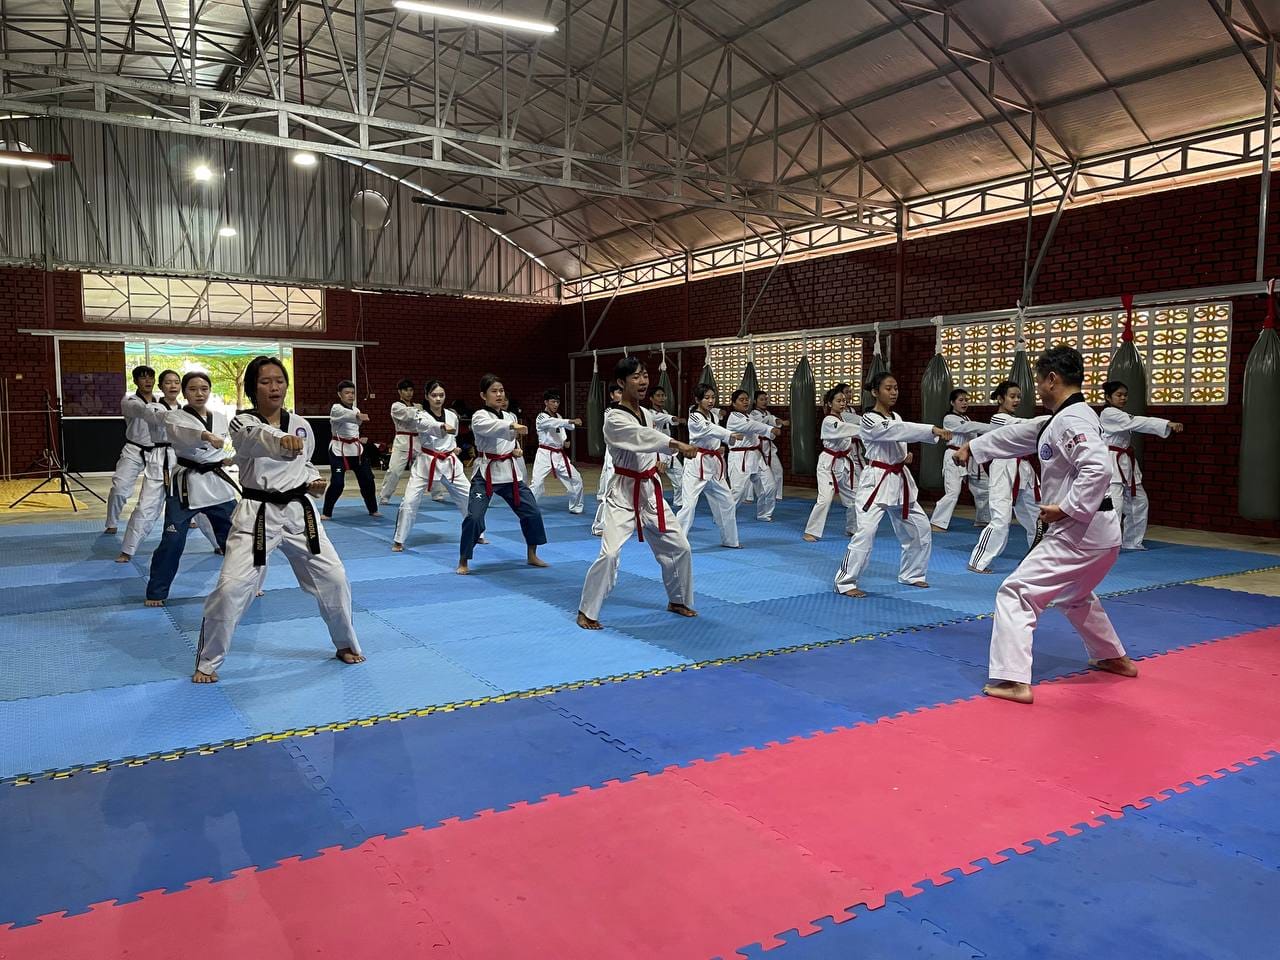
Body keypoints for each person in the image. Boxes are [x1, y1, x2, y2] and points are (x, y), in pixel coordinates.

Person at [954, 345, 1137, 704]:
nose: (1037, 388)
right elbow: (1020, 435)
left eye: (1039, 381)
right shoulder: (1065, 418)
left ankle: (1011, 680)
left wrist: (1066, 508)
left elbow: (1098, 467)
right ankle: (1112, 656)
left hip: (1078, 531)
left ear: (1052, 379)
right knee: (1076, 595)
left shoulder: (1073, 420)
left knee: (1017, 592)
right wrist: (974, 449)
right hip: (1102, 534)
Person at [196, 356, 364, 682]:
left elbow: (306, 465)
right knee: (231, 588)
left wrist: (314, 482)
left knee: (335, 578)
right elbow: (258, 439)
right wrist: (280, 439)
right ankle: (208, 660)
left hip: (300, 514)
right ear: (252, 389)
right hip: (258, 514)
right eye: (265, 382)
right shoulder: (241, 422)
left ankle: (344, 644)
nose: (274, 387)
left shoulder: (301, 423)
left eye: (279, 380)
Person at [577, 358, 699, 629]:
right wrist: (675, 443)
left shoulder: (648, 413)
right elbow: (641, 437)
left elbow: (651, 438)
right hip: (623, 492)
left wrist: (662, 457)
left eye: (644, 375)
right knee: (609, 554)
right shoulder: (614, 417)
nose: (642, 381)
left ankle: (678, 599)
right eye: (635, 377)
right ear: (621, 383)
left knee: (680, 547)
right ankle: (588, 610)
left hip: (649, 489)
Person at [834, 372, 950, 597]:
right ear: (875, 392)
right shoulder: (869, 418)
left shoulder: (896, 415)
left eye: (896, 387)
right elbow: (892, 431)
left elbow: (899, 432)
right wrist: (931, 430)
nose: (894, 392)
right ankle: (845, 582)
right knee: (865, 533)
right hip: (876, 481)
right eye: (888, 388)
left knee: (921, 528)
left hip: (900, 481)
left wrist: (902, 456)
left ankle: (912, 574)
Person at [144, 372, 239, 606]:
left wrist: (227, 458)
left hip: (216, 482)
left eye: (204, 388)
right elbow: (184, 435)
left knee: (236, 536)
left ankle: (244, 584)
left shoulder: (220, 416)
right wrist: (204, 435)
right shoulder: (174, 416)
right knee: (172, 540)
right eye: (194, 389)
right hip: (186, 484)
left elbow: (223, 447)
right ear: (185, 392)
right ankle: (157, 591)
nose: (199, 393)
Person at [118, 370, 219, 562]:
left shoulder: (188, 411)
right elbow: (164, 419)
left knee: (199, 503)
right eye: (168, 382)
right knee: (147, 506)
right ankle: (128, 549)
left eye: (176, 382)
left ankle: (219, 543)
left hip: (185, 459)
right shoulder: (153, 407)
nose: (172, 386)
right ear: (161, 386)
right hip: (160, 459)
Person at [458, 374, 548, 575]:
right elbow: (492, 429)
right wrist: (512, 427)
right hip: (486, 472)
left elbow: (511, 439)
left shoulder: (510, 416)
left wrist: (515, 448)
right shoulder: (479, 416)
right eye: (494, 391)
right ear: (483, 395)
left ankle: (532, 554)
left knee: (532, 512)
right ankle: (464, 559)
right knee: (474, 517)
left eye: (501, 391)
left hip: (510, 472)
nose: (499, 395)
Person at [1099, 380, 1184, 550]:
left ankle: (1132, 542)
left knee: (1139, 502)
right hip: (1112, 463)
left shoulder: (1120, 415)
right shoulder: (1109, 413)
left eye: (1125, 395)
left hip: (1125, 462)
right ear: (1108, 397)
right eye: (1119, 395)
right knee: (1114, 505)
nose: (1123, 398)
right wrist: (1166, 423)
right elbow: (1137, 422)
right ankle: (1106, 546)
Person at [967, 380, 1041, 574]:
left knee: (1037, 518)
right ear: (1001, 398)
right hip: (1004, 467)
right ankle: (978, 560)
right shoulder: (998, 418)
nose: (1016, 400)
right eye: (1012, 396)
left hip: (1024, 468)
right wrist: (1052, 420)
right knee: (1001, 518)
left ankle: (1038, 560)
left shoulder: (1016, 418)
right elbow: (1024, 425)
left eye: (1018, 397)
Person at [392, 379, 470, 551]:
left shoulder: (452, 415)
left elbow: (453, 435)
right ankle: (399, 539)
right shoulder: (420, 415)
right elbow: (427, 426)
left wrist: (454, 447)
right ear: (427, 397)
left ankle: (477, 533)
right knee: (410, 501)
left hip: (449, 462)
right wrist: (441, 426)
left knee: (468, 497)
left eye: (441, 395)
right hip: (426, 462)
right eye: (434, 395)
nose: (438, 399)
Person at [675, 385, 744, 547]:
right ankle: (676, 543)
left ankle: (730, 541)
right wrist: (729, 435)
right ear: (698, 400)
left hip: (713, 465)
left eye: (713, 397)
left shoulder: (713, 415)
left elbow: (713, 433)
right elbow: (709, 430)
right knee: (689, 505)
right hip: (696, 465)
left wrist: (719, 446)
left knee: (727, 502)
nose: (711, 400)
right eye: (706, 397)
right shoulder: (694, 416)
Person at [930, 388, 994, 532]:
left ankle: (983, 519)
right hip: (954, 456)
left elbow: (973, 431)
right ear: (952, 402)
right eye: (961, 400)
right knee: (953, 492)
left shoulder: (967, 418)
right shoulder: (949, 418)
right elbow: (969, 428)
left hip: (971, 456)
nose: (965, 403)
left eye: (966, 400)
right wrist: (994, 427)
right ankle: (937, 522)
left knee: (984, 488)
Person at [105, 365, 159, 535]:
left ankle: (191, 519)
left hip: (158, 452)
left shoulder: (161, 400)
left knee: (178, 485)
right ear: (135, 381)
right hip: (134, 450)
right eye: (143, 377)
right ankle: (111, 523)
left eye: (151, 377)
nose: (148, 380)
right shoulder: (129, 401)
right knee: (119, 488)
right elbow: (142, 411)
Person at [804, 386, 861, 542]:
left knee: (855, 498)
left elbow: (856, 424)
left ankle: (852, 528)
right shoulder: (829, 420)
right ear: (830, 403)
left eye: (844, 401)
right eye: (838, 401)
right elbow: (847, 429)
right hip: (828, 463)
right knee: (825, 498)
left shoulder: (844, 418)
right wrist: (865, 430)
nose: (842, 403)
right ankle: (811, 531)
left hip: (845, 462)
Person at [321, 380, 380, 519]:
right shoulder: (336, 408)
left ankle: (373, 509)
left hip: (355, 449)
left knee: (368, 479)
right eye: (347, 393)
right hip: (338, 450)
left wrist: (359, 438)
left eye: (352, 393)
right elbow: (346, 416)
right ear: (339, 395)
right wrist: (358, 416)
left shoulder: (356, 409)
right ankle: (326, 512)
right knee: (338, 483)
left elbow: (355, 426)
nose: (350, 395)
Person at [725, 389, 781, 522]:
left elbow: (757, 428)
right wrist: (769, 429)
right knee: (738, 492)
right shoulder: (734, 418)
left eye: (747, 399)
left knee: (770, 486)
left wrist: (770, 433)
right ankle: (724, 516)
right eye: (741, 400)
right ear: (734, 403)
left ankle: (764, 514)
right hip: (740, 457)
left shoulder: (748, 416)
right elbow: (752, 426)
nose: (745, 402)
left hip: (756, 455)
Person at [529, 389, 585, 514]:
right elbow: (554, 423)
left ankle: (576, 507)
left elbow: (563, 428)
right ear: (546, 402)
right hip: (544, 454)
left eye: (558, 402)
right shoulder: (541, 417)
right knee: (537, 483)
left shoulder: (559, 416)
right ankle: (528, 508)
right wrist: (570, 421)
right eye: (553, 401)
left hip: (560, 455)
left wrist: (565, 440)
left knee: (576, 479)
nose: (556, 404)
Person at [379, 378, 422, 505]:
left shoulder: (417, 406)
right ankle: (384, 497)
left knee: (425, 468)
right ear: (399, 392)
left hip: (418, 440)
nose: (409, 393)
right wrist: (418, 412)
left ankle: (437, 495)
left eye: (411, 390)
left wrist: (418, 412)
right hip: (402, 440)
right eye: (406, 390)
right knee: (394, 470)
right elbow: (408, 416)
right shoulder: (396, 406)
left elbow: (421, 418)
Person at [591, 383, 624, 536]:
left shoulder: (635, 410)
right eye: (619, 392)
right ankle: (600, 525)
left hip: (630, 457)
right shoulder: (610, 411)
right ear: (612, 395)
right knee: (611, 492)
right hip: (614, 455)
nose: (622, 394)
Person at [648, 385, 685, 510]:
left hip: (669, 451)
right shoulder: (650, 414)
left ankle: (679, 503)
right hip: (657, 453)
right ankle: (650, 505)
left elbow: (667, 422)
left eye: (663, 395)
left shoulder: (664, 412)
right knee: (652, 481)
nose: (662, 398)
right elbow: (665, 419)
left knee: (680, 478)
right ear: (651, 399)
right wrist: (675, 418)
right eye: (658, 395)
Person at [754, 391, 787, 503]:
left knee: (778, 470)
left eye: (765, 399)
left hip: (769, 446)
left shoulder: (767, 412)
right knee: (753, 473)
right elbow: (767, 420)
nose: (764, 401)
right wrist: (779, 421)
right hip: (757, 447)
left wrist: (778, 421)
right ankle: (749, 496)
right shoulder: (753, 414)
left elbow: (770, 418)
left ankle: (777, 495)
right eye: (761, 399)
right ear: (755, 401)